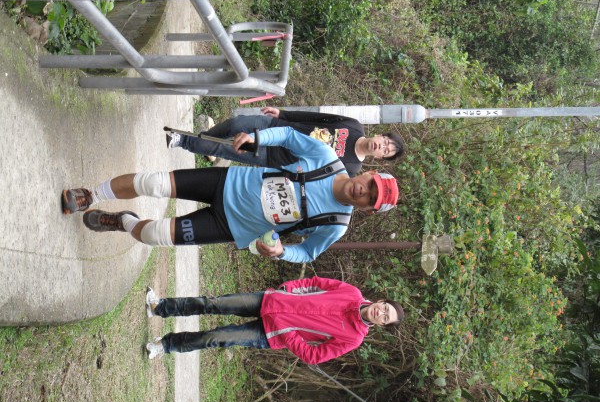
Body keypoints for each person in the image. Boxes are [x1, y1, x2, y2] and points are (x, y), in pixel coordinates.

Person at [62, 126, 399, 263]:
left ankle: (124, 221)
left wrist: (282, 252)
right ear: (368, 173)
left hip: (230, 226)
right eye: (370, 184)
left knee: (153, 235)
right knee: (154, 183)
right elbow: (288, 135)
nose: (364, 191)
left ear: (367, 209)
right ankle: (91, 195)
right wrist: (257, 137)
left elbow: (308, 253)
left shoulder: (336, 224)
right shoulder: (327, 159)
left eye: (370, 198)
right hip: (227, 182)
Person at [144, 276, 405, 364]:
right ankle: (160, 307)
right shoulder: (352, 293)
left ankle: (166, 345)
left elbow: (314, 356)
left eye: (386, 318)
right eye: (385, 308)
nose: (381, 313)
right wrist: (289, 289)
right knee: (213, 303)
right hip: (271, 301)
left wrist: (287, 330)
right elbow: (315, 283)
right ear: (381, 301)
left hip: (270, 335)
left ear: (382, 326)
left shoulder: (354, 338)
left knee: (216, 338)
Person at [166, 107, 405, 176]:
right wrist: (284, 114)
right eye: (385, 141)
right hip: (279, 127)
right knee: (235, 124)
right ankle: (202, 140)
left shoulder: (351, 168)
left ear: (380, 158)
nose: (382, 146)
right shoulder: (353, 125)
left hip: (276, 155)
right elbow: (316, 118)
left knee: (228, 147)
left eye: (386, 151)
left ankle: (182, 140)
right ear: (380, 135)